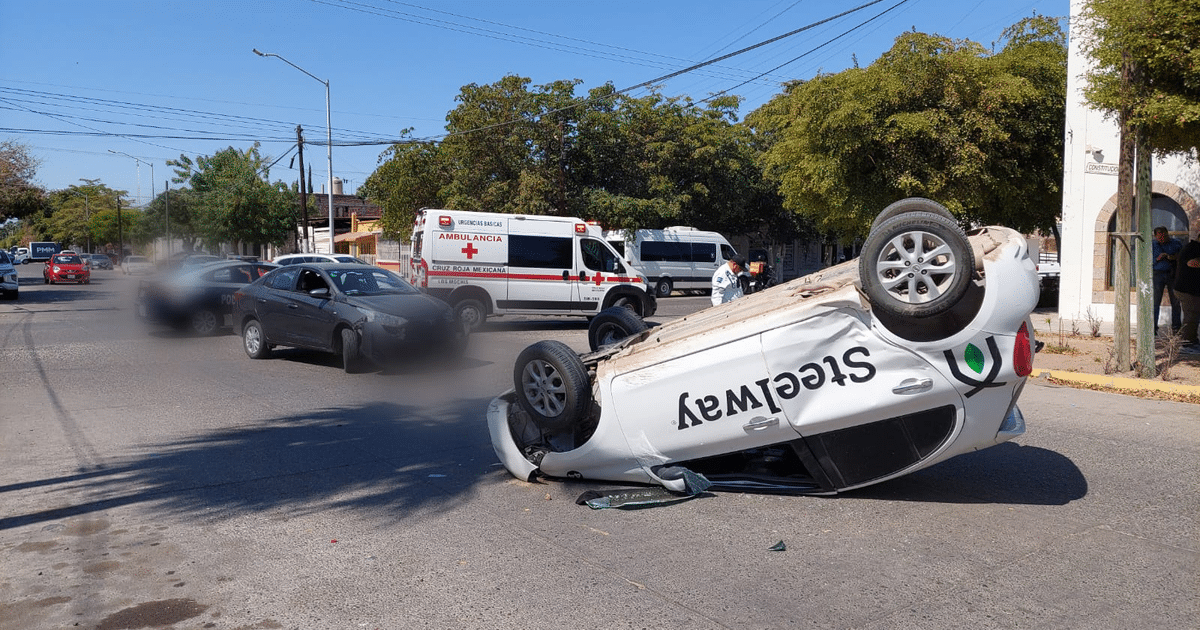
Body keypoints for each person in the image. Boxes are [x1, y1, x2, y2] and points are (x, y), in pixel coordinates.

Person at [1151, 226, 1182, 335]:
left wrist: (1171, 257)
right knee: (1155, 302)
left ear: (1167, 234)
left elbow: (1181, 257)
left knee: (1176, 302)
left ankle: (1176, 327)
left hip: (1172, 274)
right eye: (1159, 237)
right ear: (1156, 236)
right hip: (1157, 274)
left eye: (1164, 236)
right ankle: (1153, 328)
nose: (1162, 239)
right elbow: (1147, 261)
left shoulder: (1176, 243)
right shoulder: (1152, 245)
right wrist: (1158, 258)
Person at [1174, 226, 1200, 353]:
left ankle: (1191, 340)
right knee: (1191, 317)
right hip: (1186, 290)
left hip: (1191, 289)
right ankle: (1186, 345)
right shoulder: (1192, 248)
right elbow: (1191, 263)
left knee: (1193, 316)